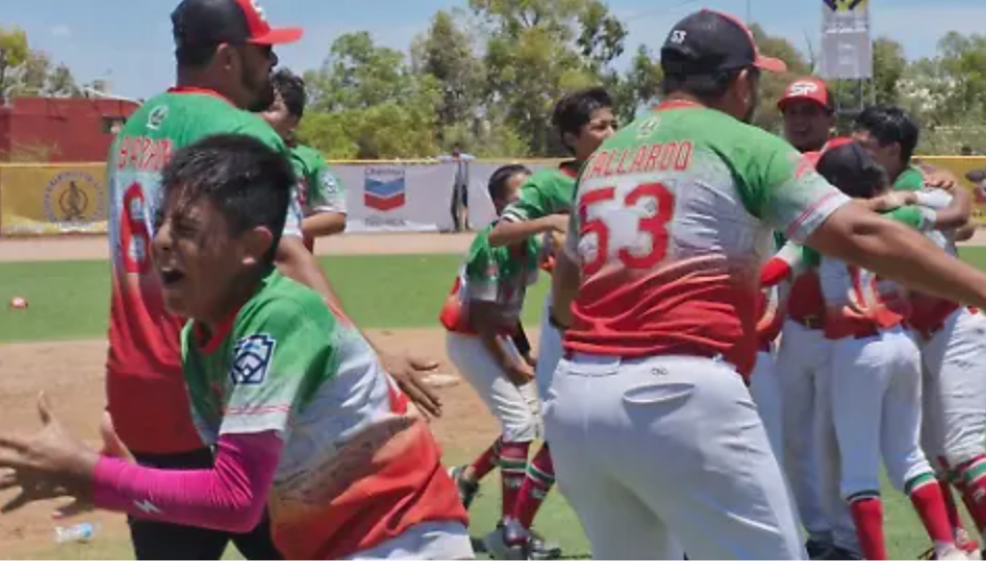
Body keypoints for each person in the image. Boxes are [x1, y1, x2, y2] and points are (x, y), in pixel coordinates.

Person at [546, 9, 986, 559]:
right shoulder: (743, 144)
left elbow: (567, 290)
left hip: (577, 402)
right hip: (678, 394)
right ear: (740, 81)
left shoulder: (605, 157)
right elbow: (861, 233)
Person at [0, 134, 472, 560]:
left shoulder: (280, 316)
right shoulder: (199, 340)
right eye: (160, 222)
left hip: (405, 539)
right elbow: (242, 494)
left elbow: (236, 500)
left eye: (186, 228)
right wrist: (122, 479)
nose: (161, 241)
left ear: (252, 246)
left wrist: (102, 479)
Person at [101, 0, 442, 557]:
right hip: (220, 390)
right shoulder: (238, 132)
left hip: (137, 389)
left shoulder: (134, 127)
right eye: (263, 50)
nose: (273, 62)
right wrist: (369, 355)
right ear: (228, 57)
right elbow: (284, 256)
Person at [811, 141, 965, 561]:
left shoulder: (823, 226)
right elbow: (953, 210)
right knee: (909, 456)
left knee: (859, 468)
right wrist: (910, 194)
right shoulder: (902, 216)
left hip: (855, 348)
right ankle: (950, 549)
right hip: (901, 341)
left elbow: (783, 259)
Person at [441, 164, 561, 560]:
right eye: (517, 198)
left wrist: (523, 352)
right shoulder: (490, 246)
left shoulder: (529, 244)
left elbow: (509, 311)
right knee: (521, 426)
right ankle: (510, 533)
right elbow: (481, 318)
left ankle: (467, 477)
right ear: (498, 205)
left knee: (528, 424)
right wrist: (511, 364)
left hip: (497, 335)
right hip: (472, 340)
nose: (528, 205)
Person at [262, 68, 347, 251]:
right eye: (256, 108)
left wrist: (285, 229)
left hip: (290, 262)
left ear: (293, 120)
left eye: (271, 109)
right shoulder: (232, 155)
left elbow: (336, 217)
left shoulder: (309, 160)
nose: (260, 116)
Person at [779, 76, 835, 153]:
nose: (799, 120)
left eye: (808, 112)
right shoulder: (772, 157)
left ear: (831, 120)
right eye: (792, 112)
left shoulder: (845, 158)